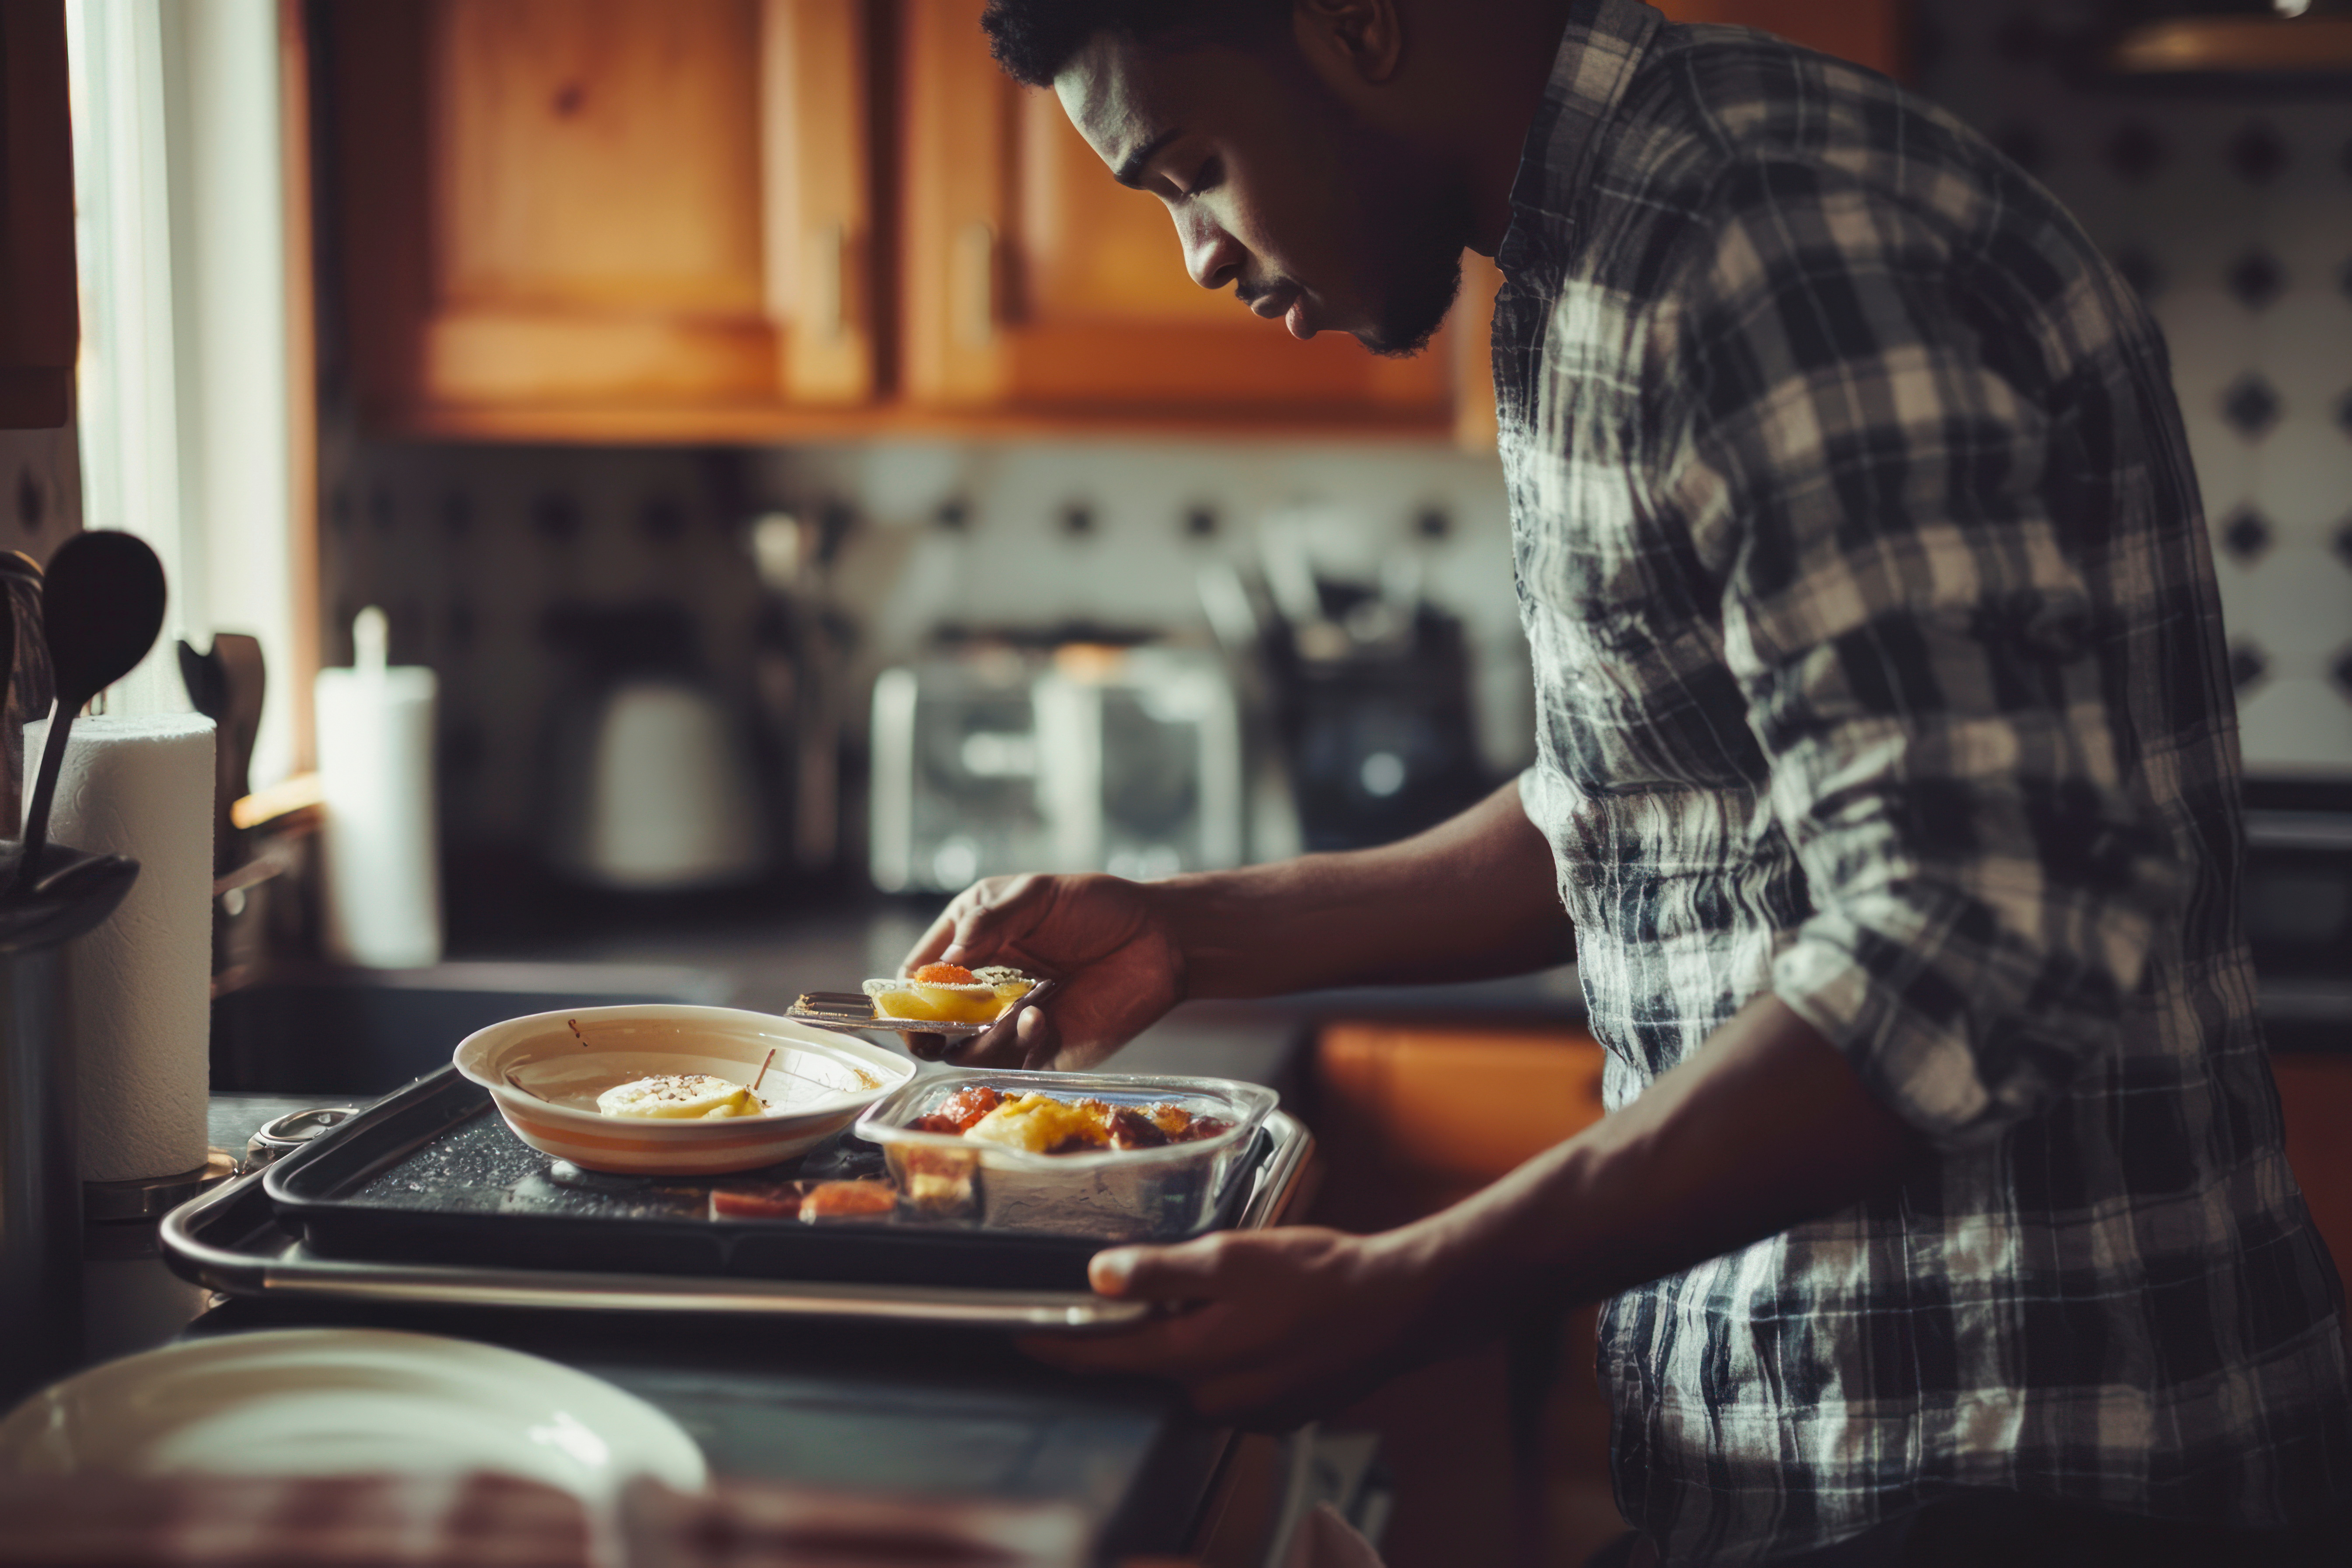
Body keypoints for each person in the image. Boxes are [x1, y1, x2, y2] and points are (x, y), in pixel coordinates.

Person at [900, 0, 2352, 1559]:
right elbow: (1644, 812)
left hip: (2014, 1467)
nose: (1198, 254)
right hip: (1806, 1446)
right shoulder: (1595, 249)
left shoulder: (1770, 239)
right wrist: (1185, 932)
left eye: (1194, 168)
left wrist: (1414, 1286)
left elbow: (1963, 930)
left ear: (1355, 29)